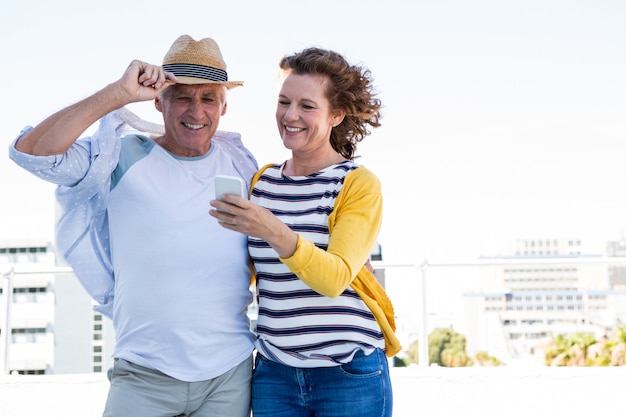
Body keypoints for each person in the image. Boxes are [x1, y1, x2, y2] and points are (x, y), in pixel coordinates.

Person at [9, 35, 258, 417]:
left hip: (228, 376)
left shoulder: (241, 163)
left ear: (224, 106)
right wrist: (117, 94)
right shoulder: (119, 156)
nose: (196, 110)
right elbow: (32, 153)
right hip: (143, 374)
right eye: (182, 96)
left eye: (208, 97)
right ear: (159, 100)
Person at [209, 47, 401, 417]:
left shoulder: (357, 184)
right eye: (283, 102)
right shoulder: (261, 182)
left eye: (307, 106)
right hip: (274, 374)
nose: (290, 115)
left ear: (337, 115)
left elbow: (333, 279)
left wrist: (272, 228)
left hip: (348, 374)